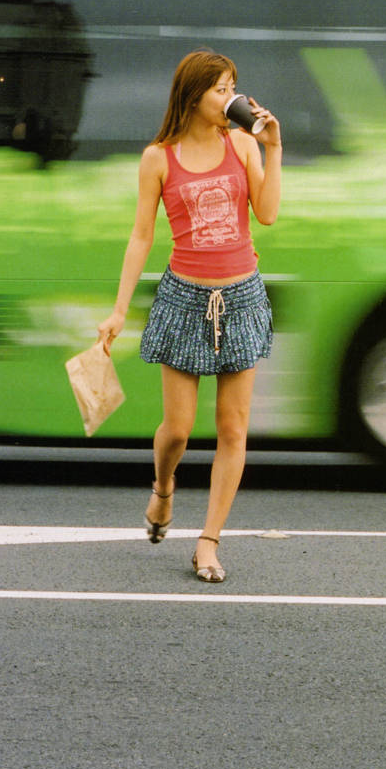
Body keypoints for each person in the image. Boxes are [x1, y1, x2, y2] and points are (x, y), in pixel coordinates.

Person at [97, 49, 281, 584]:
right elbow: (141, 236)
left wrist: (273, 149)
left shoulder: (243, 143)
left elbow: (266, 215)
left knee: (233, 428)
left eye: (233, 89)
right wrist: (117, 310)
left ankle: (208, 542)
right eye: (221, 90)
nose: (232, 100)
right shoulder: (159, 157)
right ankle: (162, 489)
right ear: (192, 94)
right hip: (183, 300)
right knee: (177, 430)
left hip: (241, 298)